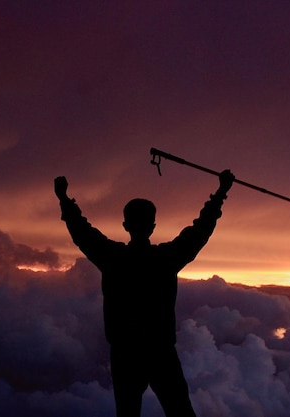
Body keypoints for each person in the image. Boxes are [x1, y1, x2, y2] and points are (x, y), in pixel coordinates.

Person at [54, 169, 234, 417]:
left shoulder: (113, 258)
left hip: (125, 354)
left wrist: (63, 198)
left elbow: (82, 232)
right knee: (180, 412)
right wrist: (221, 192)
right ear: (153, 226)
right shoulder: (166, 259)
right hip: (161, 352)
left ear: (125, 225)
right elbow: (200, 230)